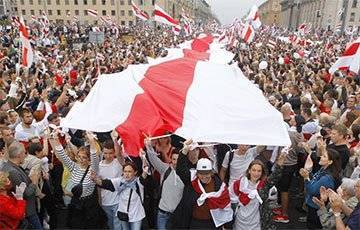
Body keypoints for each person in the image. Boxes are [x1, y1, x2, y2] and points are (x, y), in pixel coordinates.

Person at [48, 130, 106, 229]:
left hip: (89, 204)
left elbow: (95, 157)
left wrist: (91, 141)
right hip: (76, 203)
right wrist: (56, 138)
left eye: (84, 157)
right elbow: (62, 155)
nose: (81, 159)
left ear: (89, 159)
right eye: (79, 157)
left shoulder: (93, 169)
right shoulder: (73, 167)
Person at [171, 140, 233, 229]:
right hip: (194, 223)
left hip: (212, 224)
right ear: (196, 173)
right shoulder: (192, 181)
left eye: (207, 173)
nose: (204, 176)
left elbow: (226, 206)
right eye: (201, 173)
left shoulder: (219, 186)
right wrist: (184, 151)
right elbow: (180, 170)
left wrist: (227, 226)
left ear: (211, 172)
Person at [231, 150, 286, 230]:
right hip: (241, 220)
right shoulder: (239, 183)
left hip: (257, 221)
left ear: (262, 172)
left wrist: (281, 161)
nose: (256, 173)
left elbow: (275, 176)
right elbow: (232, 199)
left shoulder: (264, 185)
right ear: (249, 171)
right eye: (254, 170)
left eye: (259, 171)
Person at [92, 162, 147, 230]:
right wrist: (95, 179)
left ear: (135, 172)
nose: (127, 174)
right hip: (123, 213)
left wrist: (144, 159)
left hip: (136, 215)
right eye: (125, 171)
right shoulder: (120, 181)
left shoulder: (138, 182)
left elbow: (144, 173)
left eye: (129, 171)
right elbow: (105, 184)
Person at [144, 138, 184, 229]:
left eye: (178, 159)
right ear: (171, 160)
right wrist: (148, 146)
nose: (176, 162)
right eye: (174, 159)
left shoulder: (186, 174)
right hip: (163, 213)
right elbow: (153, 159)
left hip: (177, 215)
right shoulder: (165, 169)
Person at [0, 141, 41, 229]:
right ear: (19, 155)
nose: (26, 155)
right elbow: (25, 193)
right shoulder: (12, 171)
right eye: (24, 153)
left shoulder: (11, 166)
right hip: (27, 212)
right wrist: (34, 182)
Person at [299, 147, 342, 229]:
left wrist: (306, 177)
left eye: (324, 156)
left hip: (317, 208)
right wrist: (309, 172)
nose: (321, 156)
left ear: (330, 162)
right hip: (315, 206)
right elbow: (315, 179)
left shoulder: (327, 178)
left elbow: (312, 190)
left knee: (313, 226)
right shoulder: (323, 169)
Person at [98, 132, 124, 229]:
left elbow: (119, 154)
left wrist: (114, 140)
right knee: (110, 225)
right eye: (105, 153)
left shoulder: (119, 162)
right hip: (105, 201)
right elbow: (98, 185)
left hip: (118, 201)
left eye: (110, 153)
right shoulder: (99, 166)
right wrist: (100, 200)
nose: (108, 156)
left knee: (117, 226)